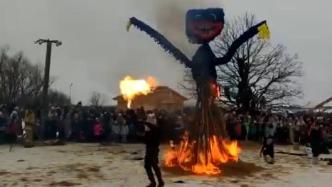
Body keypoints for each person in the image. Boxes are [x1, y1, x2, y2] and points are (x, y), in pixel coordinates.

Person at [144, 111, 164, 187]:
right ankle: (155, 182)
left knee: (152, 165)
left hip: (153, 149)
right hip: (150, 148)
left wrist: (145, 123)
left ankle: (157, 182)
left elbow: (153, 130)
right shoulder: (150, 129)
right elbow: (146, 139)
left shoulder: (156, 128)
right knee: (150, 165)